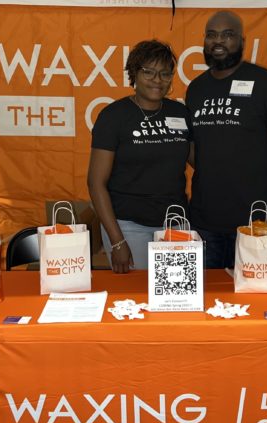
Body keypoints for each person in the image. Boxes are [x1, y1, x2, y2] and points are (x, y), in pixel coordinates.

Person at [186, 11, 267, 269]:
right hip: (204, 223)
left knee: (254, 293)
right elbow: (194, 148)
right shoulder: (196, 89)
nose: (218, 41)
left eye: (227, 35)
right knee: (206, 292)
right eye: (212, 35)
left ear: (242, 41)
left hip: (256, 222)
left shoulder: (266, 84)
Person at [88, 40, 191, 273]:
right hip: (128, 226)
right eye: (149, 72)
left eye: (165, 73)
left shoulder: (180, 113)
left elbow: (200, 161)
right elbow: (95, 183)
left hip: (175, 223)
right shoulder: (114, 116)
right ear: (134, 73)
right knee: (138, 291)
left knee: (175, 290)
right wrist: (117, 241)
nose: (157, 80)